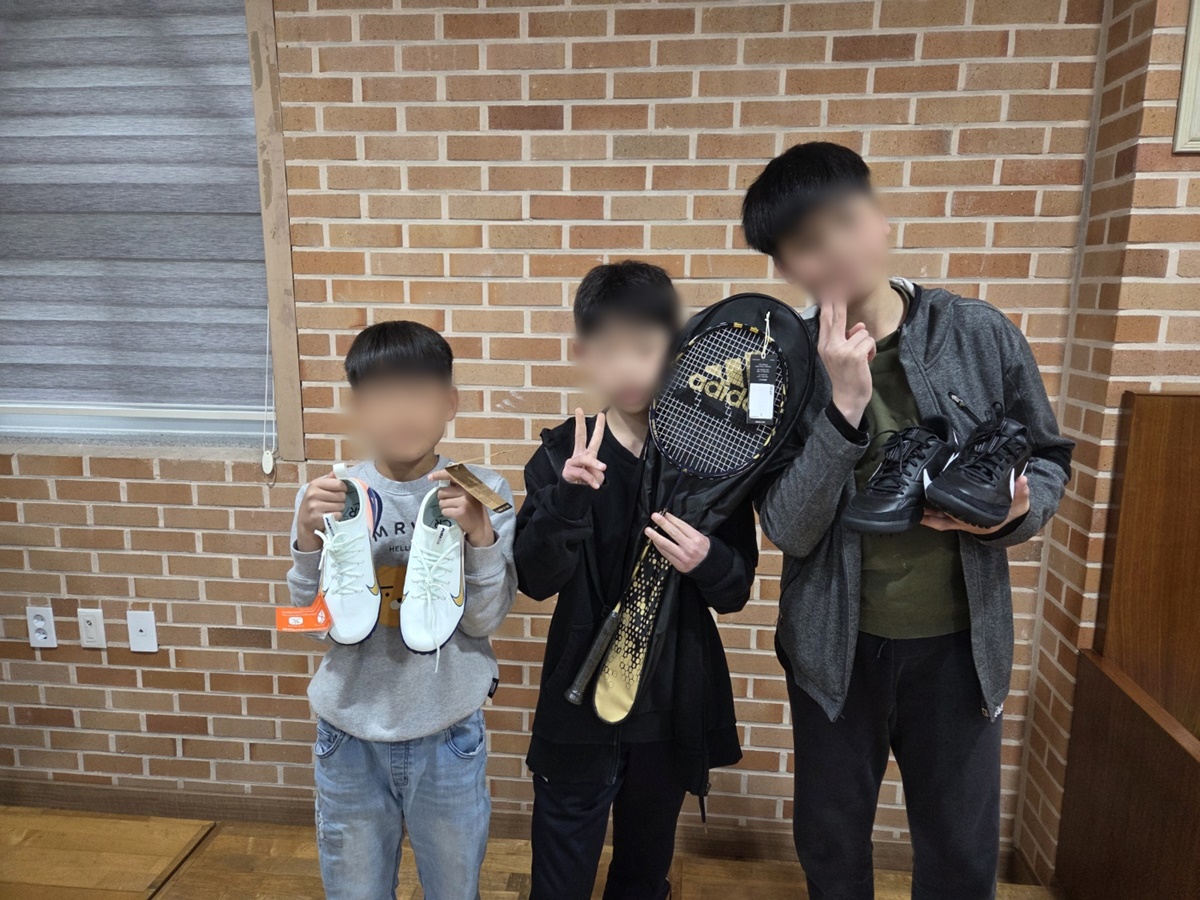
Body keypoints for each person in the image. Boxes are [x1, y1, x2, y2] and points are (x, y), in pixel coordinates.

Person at [743, 142, 1074, 900]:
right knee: (830, 845)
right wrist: (844, 408)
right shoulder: (781, 363)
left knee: (959, 853)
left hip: (960, 648)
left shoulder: (977, 332)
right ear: (785, 265)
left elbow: (1047, 456)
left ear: (880, 221)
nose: (833, 249)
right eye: (806, 241)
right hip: (834, 652)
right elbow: (787, 528)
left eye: (845, 221)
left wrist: (1017, 512)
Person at [514, 261, 759, 900]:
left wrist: (705, 558)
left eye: (645, 349)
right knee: (559, 880)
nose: (628, 368)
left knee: (643, 877)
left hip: (669, 705)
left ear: (675, 351)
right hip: (577, 705)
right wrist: (566, 501)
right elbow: (535, 579)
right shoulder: (561, 454)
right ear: (584, 354)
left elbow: (735, 590)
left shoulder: (710, 457)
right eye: (610, 351)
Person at [286, 320, 517, 900]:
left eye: (418, 392)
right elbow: (315, 629)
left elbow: (484, 620)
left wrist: (480, 536)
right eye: (383, 395)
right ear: (358, 408)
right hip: (347, 734)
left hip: (448, 734)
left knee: (454, 891)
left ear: (450, 403)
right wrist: (307, 540)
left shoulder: (484, 490)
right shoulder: (329, 496)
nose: (403, 411)